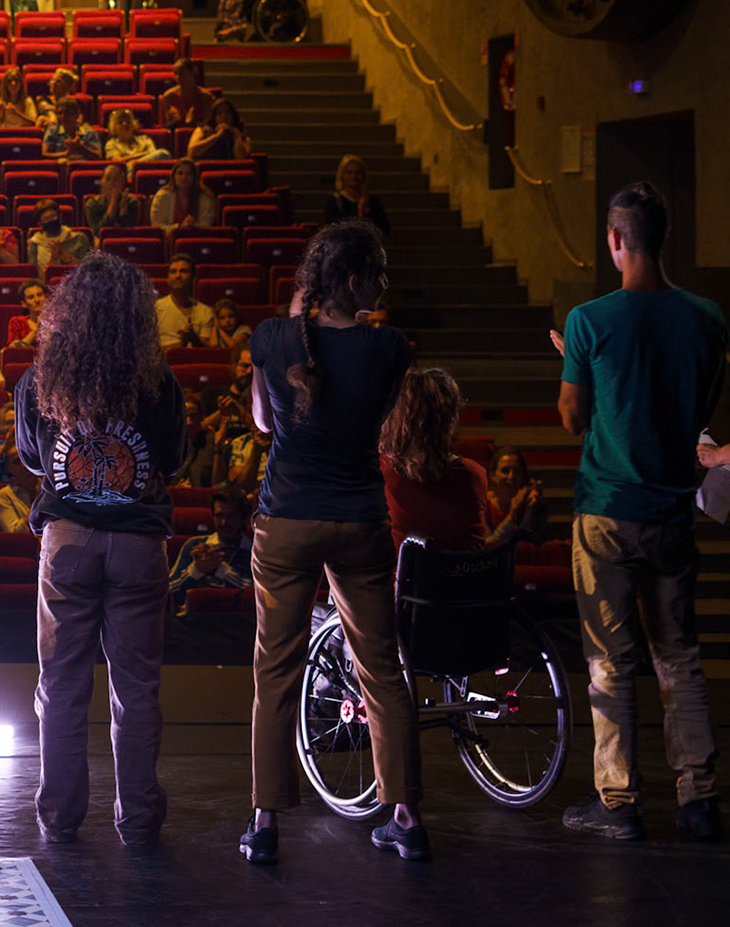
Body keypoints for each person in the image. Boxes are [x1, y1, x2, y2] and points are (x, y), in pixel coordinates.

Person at [241, 219, 424, 865]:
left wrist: (297, 325)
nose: (385, 284)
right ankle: (406, 816)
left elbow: (265, 422)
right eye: (377, 273)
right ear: (352, 280)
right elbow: (379, 419)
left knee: (275, 669)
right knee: (382, 669)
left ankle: (265, 822)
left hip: (287, 519)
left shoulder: (272, 338)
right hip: (360, 520)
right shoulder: (390, 347)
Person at [553, 182, 725, 842]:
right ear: (664, 236)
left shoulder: (588, 321)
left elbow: (573, 418)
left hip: (607, 511)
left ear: (615, 239)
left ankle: (619, 801)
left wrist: (581, 366)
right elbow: (697, 406)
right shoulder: (707, 317)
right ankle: (699, 797)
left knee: (610, 659)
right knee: (678, 655)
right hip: (672, 511)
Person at [15, 252, 183, 843]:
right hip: (139, 540)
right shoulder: (158, 381)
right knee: (135, 686)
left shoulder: (41, 379)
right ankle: (138, 819)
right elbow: (172, 460)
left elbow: (33, 458)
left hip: (68, 540)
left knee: (61, 683)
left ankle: (59, 815)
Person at [381, 368, 539, 551]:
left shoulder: (384, 472)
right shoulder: (474, 474)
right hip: (464, 570)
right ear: (451, 418)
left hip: (407, 569)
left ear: (396, 417)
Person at [167, 485, 253, 614]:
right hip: (192, 620)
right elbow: (167, 591)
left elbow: (256, 595)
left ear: (244, 518)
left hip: (237, 621)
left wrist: (220, 569)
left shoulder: (254, 552)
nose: (224, 523)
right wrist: (196, 570)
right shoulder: (195, 545)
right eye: (219, 516)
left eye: (231, 516)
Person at [325, 154, 390, 237]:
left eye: (357, 173)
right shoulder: (335, 201)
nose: (353, 176)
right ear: (342, 175)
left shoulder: (373, 201)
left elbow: (384, 229)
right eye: (349, 172)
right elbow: (331, 229)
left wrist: (364, 210)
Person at [150, 160, 219, 231]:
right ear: (174, 176)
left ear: (194, 177)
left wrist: (191, 227)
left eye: (189, 174)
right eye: (180, 173)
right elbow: (157, 226)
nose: (184, 177)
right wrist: (179, 227)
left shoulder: (205, 197)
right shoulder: (162, 197)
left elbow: (206, 226)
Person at [84, 162, 144, 236]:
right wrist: (112, 206)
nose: (112, 183)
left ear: (122, 182)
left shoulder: (132, 202)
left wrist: (123, 212)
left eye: (116, 179)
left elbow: (132, 231)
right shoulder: (92, 204)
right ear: (102, 182)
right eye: (108, 179)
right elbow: (98, 232)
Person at [29, 201, 88, 276]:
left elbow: (87, 270)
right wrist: (53, 258)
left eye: (53, 216)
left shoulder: (78, 238)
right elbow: (35, 275)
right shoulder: (35, 242)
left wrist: (64, 256)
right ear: (40, 223)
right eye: (46, 219)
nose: (51, 221)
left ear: (59, 216)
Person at [188, 99, 254, 162]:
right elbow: (192, 151)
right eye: (219, 113)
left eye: (227, 113)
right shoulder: (202, 130)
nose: (224, 116)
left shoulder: (240, 133)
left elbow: (241, 158)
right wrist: (217, 136)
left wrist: (236, 133)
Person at [157, 59, 214, 131]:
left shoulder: (205, 96)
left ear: (192, 73)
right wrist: (172, 120)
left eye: (182, 73)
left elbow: (208, 122)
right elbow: (165, 126)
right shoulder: (169, 96)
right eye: (176, 74)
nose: (178, 77)